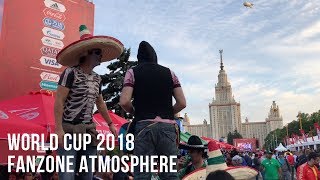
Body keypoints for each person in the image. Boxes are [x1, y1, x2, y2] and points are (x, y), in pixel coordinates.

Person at [55, 25, 123, 180]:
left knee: (87, 175)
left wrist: (110, 124)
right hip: (69, 130)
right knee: (67, 175)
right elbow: (59, 100)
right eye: (98, 52)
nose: (101, 56)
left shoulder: (98, 79)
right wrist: (58, 129)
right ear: (86, 53)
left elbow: (100, 104)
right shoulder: (70, 72)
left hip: (89, 131)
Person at [120, 41, 186, 179]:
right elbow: (182, 102)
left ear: (139, 58)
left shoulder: (133, 72)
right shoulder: (170, 73)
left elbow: (124, 101)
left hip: (144, 126)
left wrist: (135, 112)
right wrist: (168, 113)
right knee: (170, 174)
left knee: (142, 174)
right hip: (168, 128)